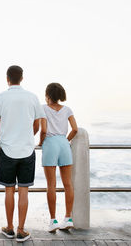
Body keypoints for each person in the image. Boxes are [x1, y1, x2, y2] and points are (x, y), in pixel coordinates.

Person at [0, 65, 45, 242]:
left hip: (7, 149)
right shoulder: (32, 97)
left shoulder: (0, 97)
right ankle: (21, 229)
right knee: (23, 191)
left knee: (8, 190)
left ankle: (10, 228)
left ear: (7, 78)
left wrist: (0, 140)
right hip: (27, 150)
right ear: (22, 78)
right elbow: (37, 124)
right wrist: (28, 137)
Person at [38, 82, 78, 232]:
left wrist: (42, 142)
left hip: (50, 144)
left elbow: (43, 130)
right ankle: (68, 218)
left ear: (48, 95)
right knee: (68, 184)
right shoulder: (67, 109)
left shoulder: (43, 108)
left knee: (51, 185)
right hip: (64, 144)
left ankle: (53, 220)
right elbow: (75, 129)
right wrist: (65, 140)